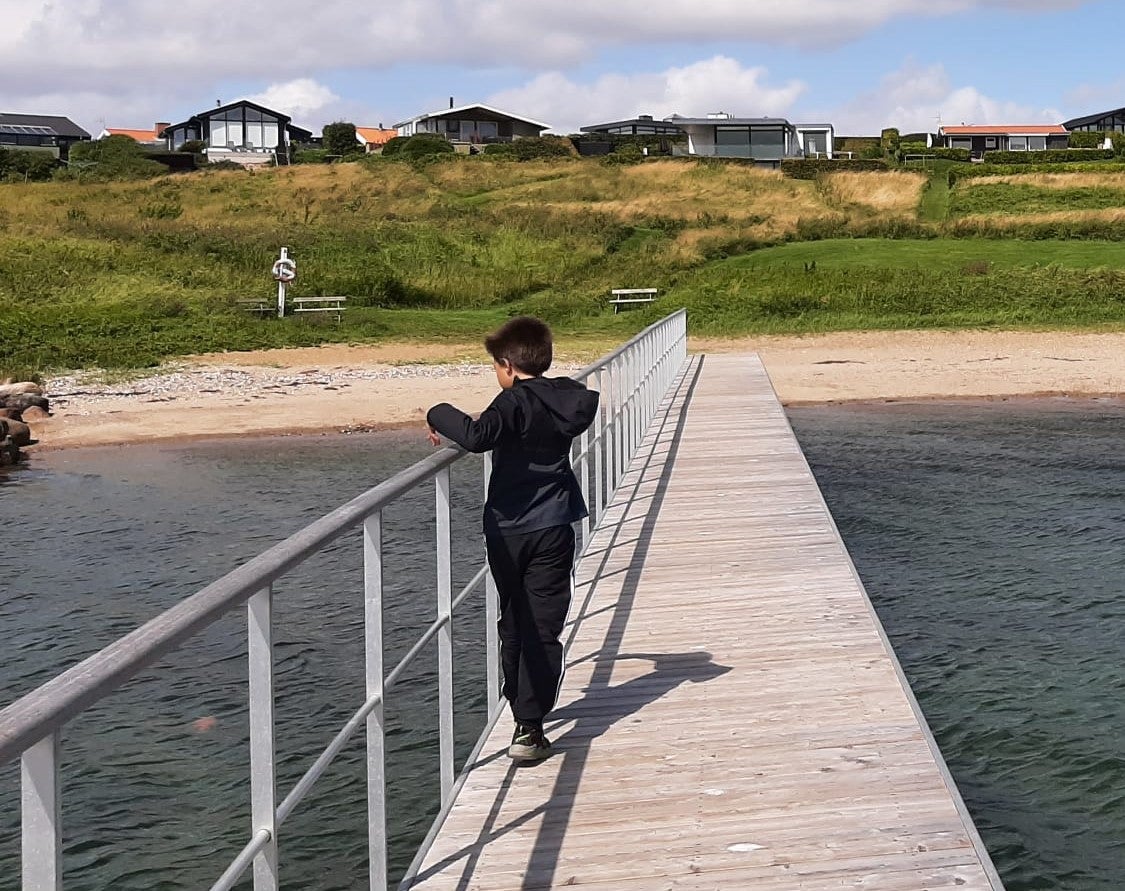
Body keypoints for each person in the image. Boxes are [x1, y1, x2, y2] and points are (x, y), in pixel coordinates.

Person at [426, 316, 599, 761]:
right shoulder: (567, 398)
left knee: (514, 618)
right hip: (555, 523)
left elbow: (478, 437)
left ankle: (519, 706)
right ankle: (530, 721)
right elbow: (517, 419)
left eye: (495, 368)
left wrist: (437, 412)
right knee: (543, 622)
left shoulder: (512, 403)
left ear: (506, 364)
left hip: (508, 529)